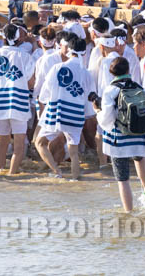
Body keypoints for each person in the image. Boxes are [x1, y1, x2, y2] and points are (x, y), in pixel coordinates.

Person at [98, 55, 145, 209]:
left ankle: (128, 212)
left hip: (120, 141)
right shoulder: (139, 88)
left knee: (123, 179)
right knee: (139, 159)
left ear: (112, 73)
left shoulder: (110, 90)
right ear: (128, 70)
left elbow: (107, 118)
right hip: (139, 135)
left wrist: (97, 111)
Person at [36, 33, 93, 180]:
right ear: (84, 53)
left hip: (56, 112)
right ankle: (75, 180)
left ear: (69, 50)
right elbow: (90, 97)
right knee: (74, 153)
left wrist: (45, 102)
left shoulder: (57, 67)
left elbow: (44, 94)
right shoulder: (86, 73)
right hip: (76, 115)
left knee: (40, 143)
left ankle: (57, 172)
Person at [0, 23, 35, 174]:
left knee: (3, 142)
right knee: (19, 146)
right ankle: (12, 175)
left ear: (3, 37)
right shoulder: (25, 56)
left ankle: (1, 172)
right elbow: (31, 82)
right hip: (19, 104)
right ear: (19, 38)